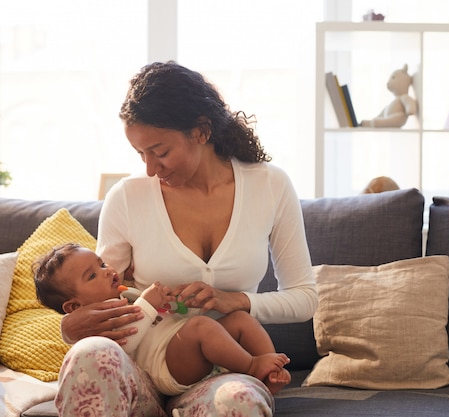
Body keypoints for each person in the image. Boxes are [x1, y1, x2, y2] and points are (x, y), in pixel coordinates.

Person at [57, 61, 318, 417]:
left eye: (160, 151)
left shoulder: (270, 186)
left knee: (238, 402)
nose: (150, 168)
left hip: (222, 376)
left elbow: (304, 298)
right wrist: (69, 329)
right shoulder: (127, 198)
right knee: (88, 354)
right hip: (143, 373)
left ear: (201, 131)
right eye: (141, 154)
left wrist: (236, 301)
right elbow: (100, 299)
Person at [34, 243, 291, 397]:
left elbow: (164, 316)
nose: (107, 272)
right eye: (92, 276)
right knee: (201, 327)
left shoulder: (126, 293)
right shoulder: (100, 319)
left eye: (101, 264)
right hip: (167, 368)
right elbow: (125, 344)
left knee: (239, 320)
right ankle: (252, 366)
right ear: (74, 306)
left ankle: (271, 373)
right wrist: (148, 303)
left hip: (182, 347)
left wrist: (173, 303)